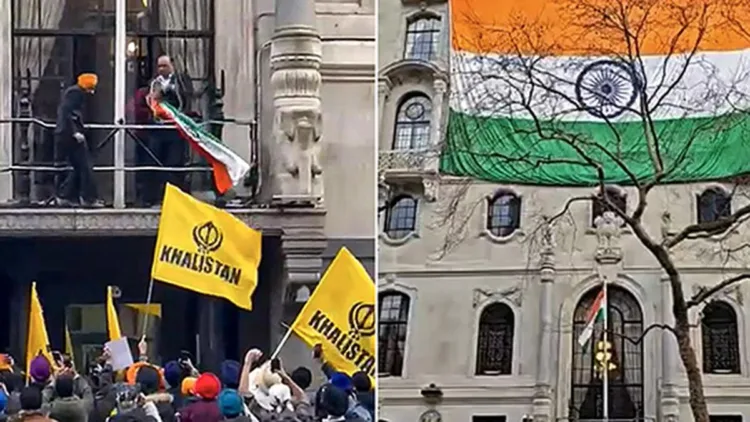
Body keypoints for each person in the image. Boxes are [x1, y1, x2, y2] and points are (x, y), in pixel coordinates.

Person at [54, 73, 103, 208]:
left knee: (78, 167)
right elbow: (68, 113)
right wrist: (75, 131)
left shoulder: (73, 92)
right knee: (85, 166)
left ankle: (66, 195)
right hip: (71, 135)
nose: (92, 92)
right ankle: (88, 198)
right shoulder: (75, 93)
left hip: (65, 134)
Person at [148, 55, 189, 202]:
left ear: (172, 65)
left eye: (164, 66)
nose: (161, 69)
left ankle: (177, 196)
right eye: (159, 66)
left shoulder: (180, 81)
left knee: (175, 161)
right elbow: (151, 99)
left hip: (174, 128)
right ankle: (156, 196)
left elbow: (184, 99)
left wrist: (167, 92)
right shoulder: (154, 82)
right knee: (156, 161)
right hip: (159, 127)